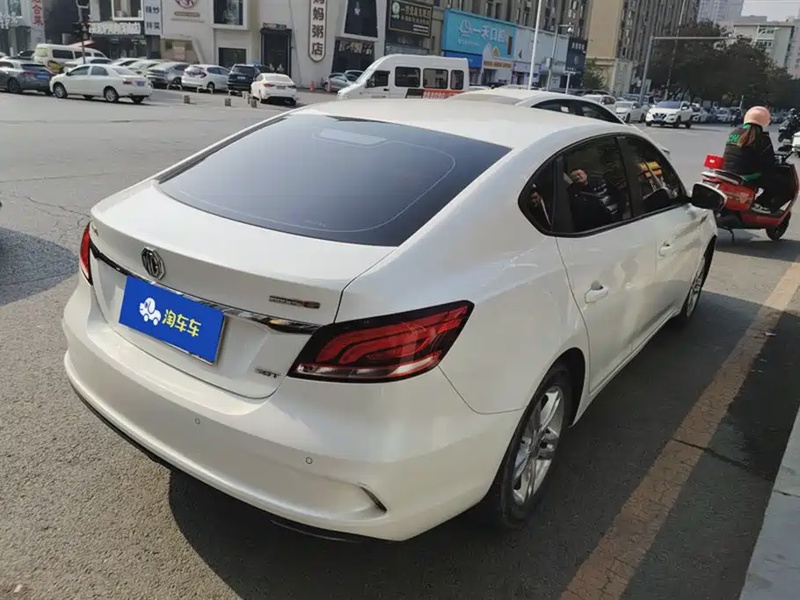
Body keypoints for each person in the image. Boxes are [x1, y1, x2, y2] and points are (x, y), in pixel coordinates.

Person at [722, 106, 786, 214]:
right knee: (782, 184)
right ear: (765, 122)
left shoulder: (734, 133)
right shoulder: (763, 138)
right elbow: (769, 163)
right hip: (747, 177)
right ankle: (761, 204)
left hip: (728, 173)